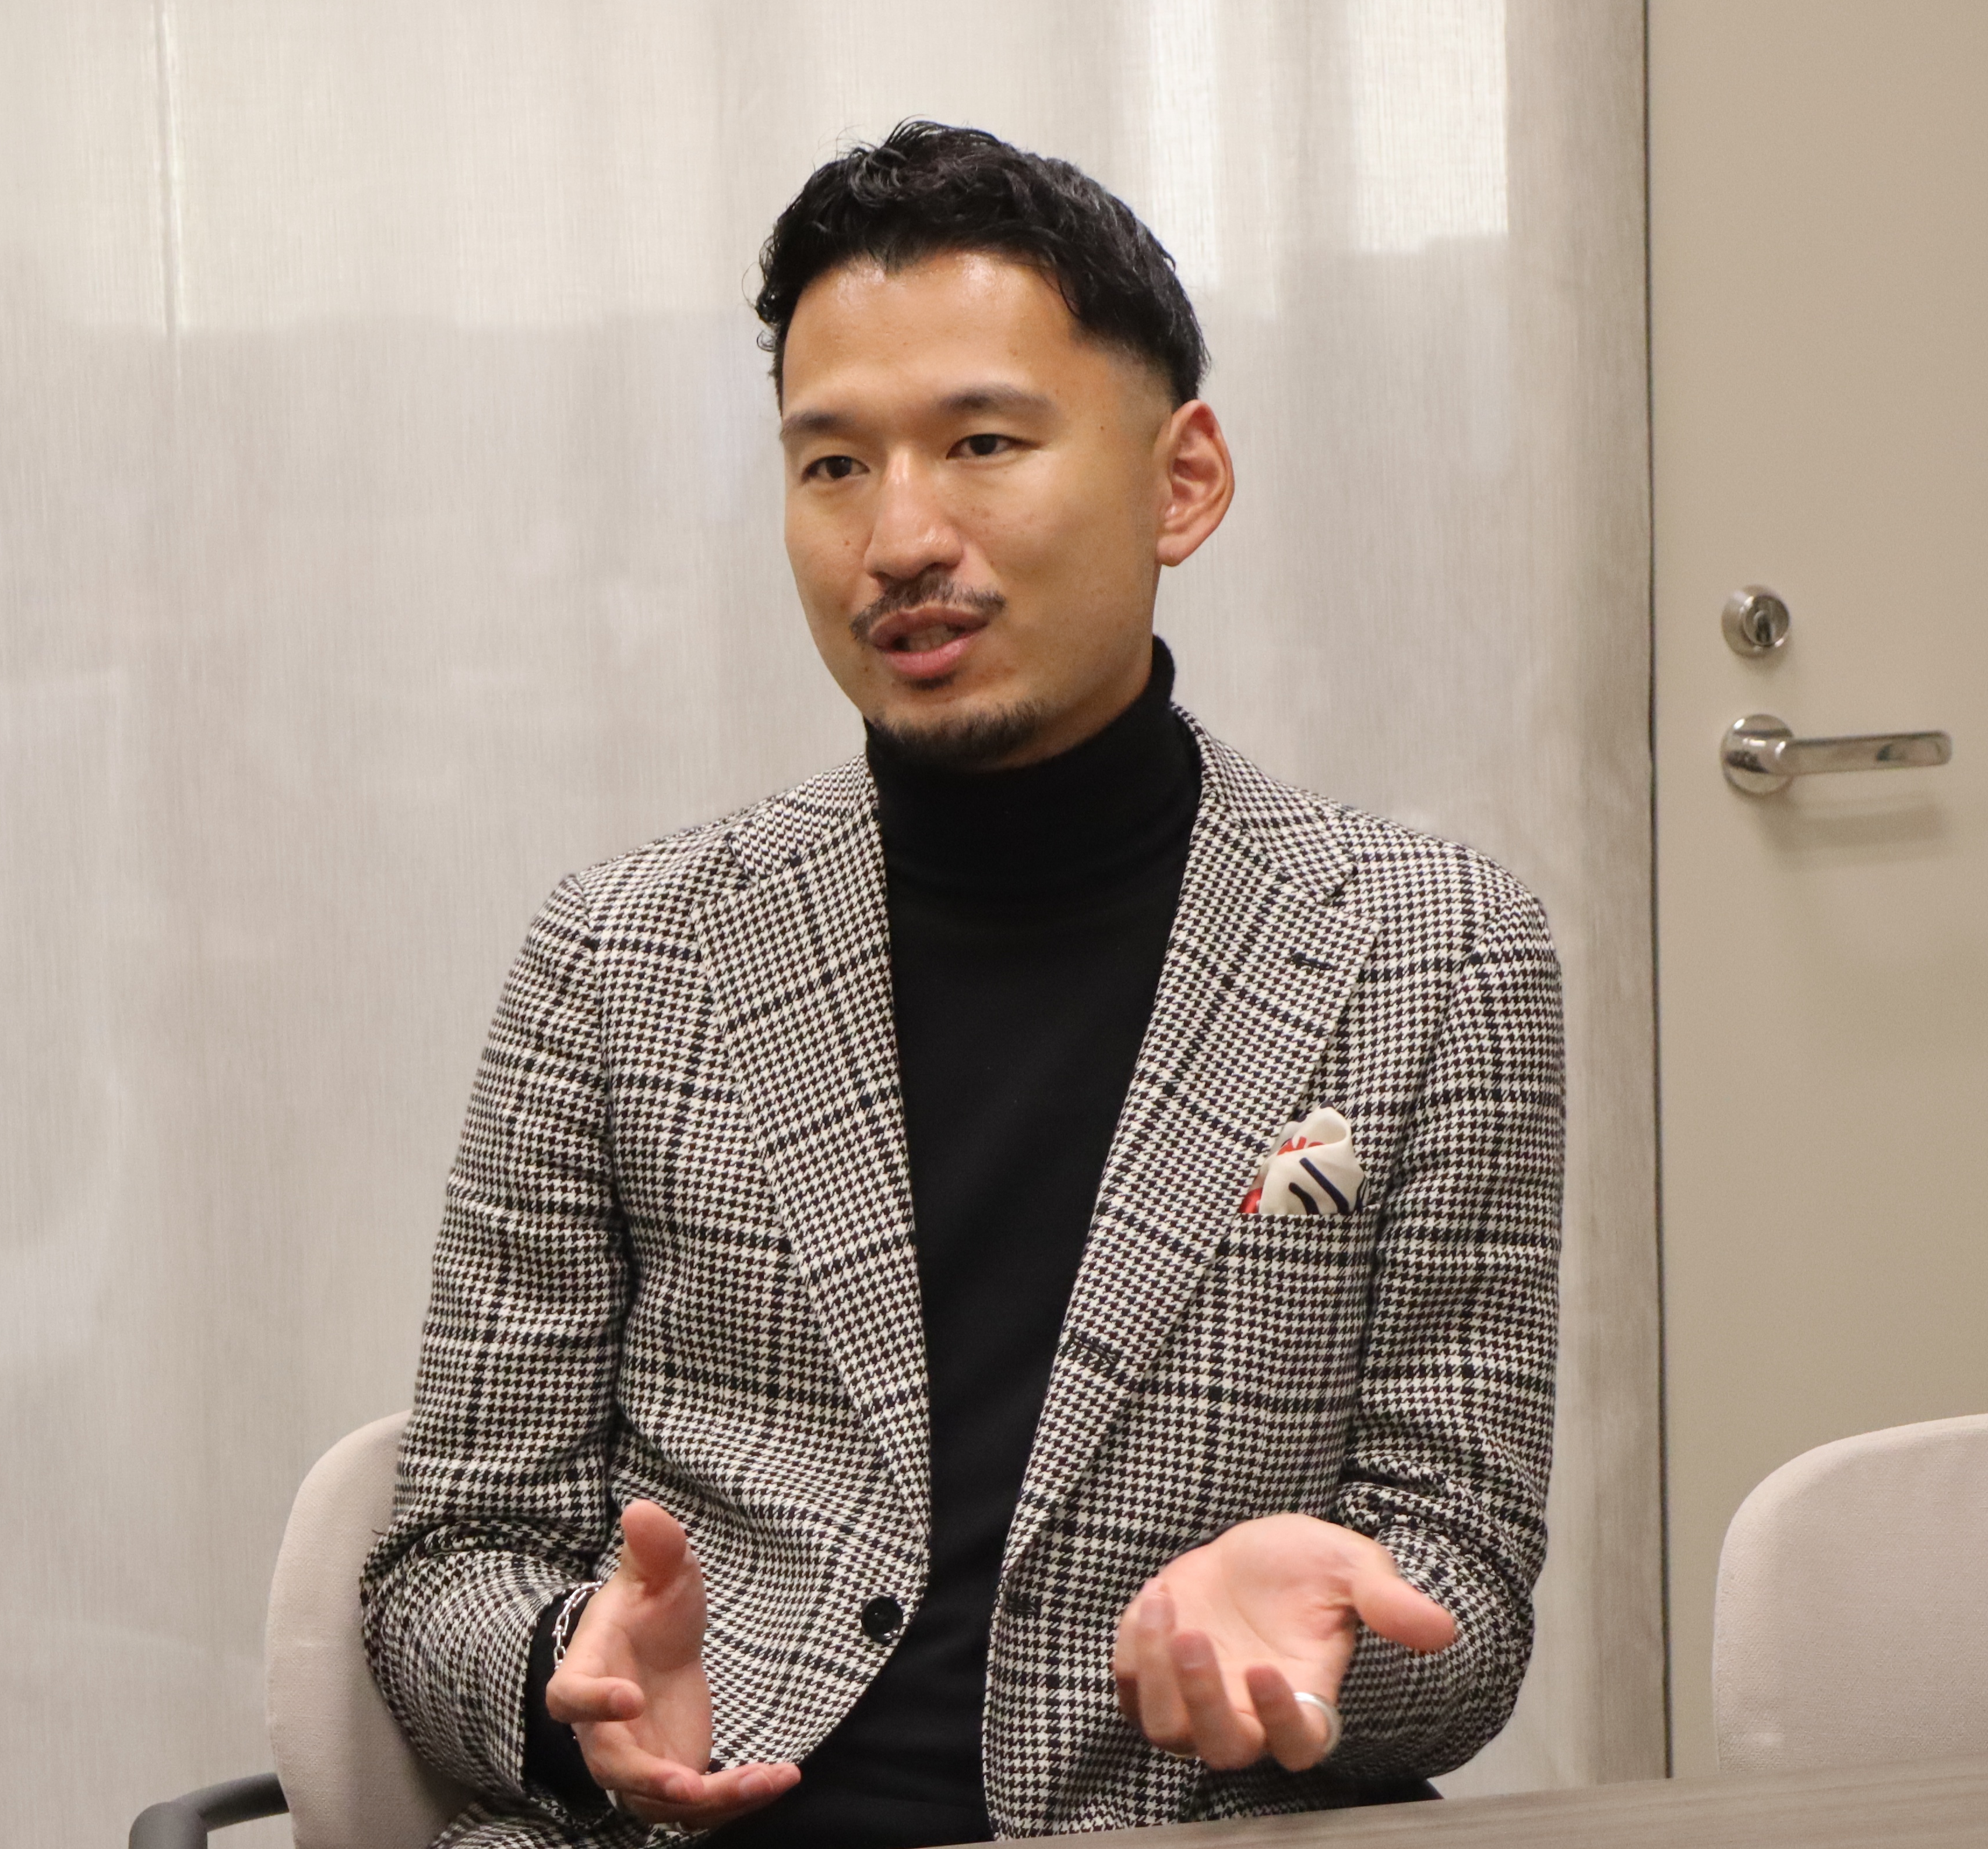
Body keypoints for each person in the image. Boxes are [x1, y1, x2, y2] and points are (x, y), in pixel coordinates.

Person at [362, 121, 1562, 1847]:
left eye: (983, 444)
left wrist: (1318, 1648)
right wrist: (572, 1676)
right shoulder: (623, 955)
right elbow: (448, 1558)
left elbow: (1465, 1589)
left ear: (1183, 481)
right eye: (834, 466)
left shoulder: (1432, 951)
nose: (900, 537)